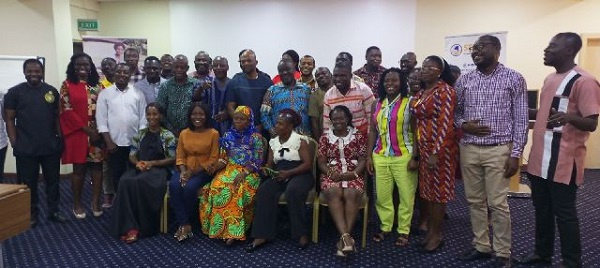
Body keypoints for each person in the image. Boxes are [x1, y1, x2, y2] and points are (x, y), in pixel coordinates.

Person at [515, 32, 600, 268]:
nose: (546, 50)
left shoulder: (585, 80)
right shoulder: (550, 78)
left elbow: (592, 123)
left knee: (565, 214)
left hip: (563, 161)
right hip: (539, 159)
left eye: (552, 46)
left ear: (570, 51)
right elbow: (543, 114)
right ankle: (542, 254)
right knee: (542, 211)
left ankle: (572, 262)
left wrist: (569, 117)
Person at [454, 35, 528, 268]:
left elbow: (521, 118)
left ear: (496, 49)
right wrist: (463, 125)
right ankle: (481, 246)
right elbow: (455, 113)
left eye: (480, 47)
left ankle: (503, 252)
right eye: (473, 48)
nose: (475, 51)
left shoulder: (514, 78)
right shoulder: (464, 80)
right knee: (474, 201)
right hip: (469, 148)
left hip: (499, 149)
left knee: (497, 203)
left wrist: (516, 154)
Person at [4, 58, 66, 227]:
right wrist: (15, 142)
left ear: (42, 72)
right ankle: (31, 213)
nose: (33, 74)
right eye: (30, 71)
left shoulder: (51, 91)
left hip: (50, 147)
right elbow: (9, 119)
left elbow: (56, 118)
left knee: (53, 181)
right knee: (27, 183)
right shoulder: (14, 93)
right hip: (26, 147)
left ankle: (54, 211)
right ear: (24, 72)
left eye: (37, 71)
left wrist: (60, 140)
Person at [246, 109, 313, 252]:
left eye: (280, 124)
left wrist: (289, 173)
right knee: (264, 191)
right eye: (277, 123)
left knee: (293, 191)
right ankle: (261, 235)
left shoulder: (300, 140)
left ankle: (301, 234)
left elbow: (307, 164)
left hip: (299, 173)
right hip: (280, 172)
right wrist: (266, 169)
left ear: (290, 127)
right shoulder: (273, 142)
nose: (276, 126)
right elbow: (270, 163)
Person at [111, 103, 176, 244]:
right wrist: (137, 163)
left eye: (155, 114)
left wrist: (152, 164)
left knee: (137, 182)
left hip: (160, 170)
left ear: (161, 116)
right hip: (141, 167)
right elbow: (132, 154)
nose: (151, 117)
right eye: (149, 114)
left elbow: (172, 158)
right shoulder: (140, 134)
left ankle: (140, 227)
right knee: (124, 181)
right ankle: (128, 226)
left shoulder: (167, 135)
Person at [411, 56, 458, 253]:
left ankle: (437, 234)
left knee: (439, 194)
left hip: (441, 151)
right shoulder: (422, 93)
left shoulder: (445, 91)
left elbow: (446, 124)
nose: (425, 70)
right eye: (423, 67)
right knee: (427, 193)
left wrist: (435, 152)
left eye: (430, 67)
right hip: (424, 148)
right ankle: (430, 231)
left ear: (440, 71)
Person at [366, 68, 417, 248]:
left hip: (403, 155)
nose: (390, 84)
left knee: (406, 196)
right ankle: (386, 226)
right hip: (380, 155)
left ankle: (403, 231)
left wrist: (415, 157)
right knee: (383, 196)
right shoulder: (377, 103)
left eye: (395, 80)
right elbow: (373, 130)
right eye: (387, 81)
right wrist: (368, 157)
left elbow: (416, 131)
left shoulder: (410, 102)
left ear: (402, 83)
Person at [200, 105, 265, 246]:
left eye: (242, 119)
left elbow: (257, 161)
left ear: (249, 121)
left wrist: (245, 173)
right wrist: (214, 166)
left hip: (249, 172)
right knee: (217, 186)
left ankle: (234, 232)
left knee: (237, 189)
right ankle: (222, 230)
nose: (238, 121)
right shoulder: (228, 136)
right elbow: (223, 159)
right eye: (236, 118)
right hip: (229, 169)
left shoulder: (256, 137)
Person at [59, 53, 104, 219]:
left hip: (98, 133)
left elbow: (106, 108)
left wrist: (98, 131)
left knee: (97, 167)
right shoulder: (67, 85)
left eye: (86, 64)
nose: (82, 67)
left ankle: (95, 202)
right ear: (73, 67)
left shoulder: (99, 86)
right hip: (78, 133)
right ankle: (77, 203)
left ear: (91, 66)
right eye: (78, 65)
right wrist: (87, 130)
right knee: (79, 169)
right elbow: (66, 110)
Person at [318, 105, 367, 256]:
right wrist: (331, 173)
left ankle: (344, 239)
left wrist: (353, 174)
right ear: (331, 120)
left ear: (348, 119)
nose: (338, 121)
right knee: (334, 191)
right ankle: (347, 239)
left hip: (353, 172)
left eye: (341, 118)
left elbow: (363, 159)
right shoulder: (325, 137)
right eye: (334, 118)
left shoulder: (358, 136)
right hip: (332, 172)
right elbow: (320, 162)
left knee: (351, 194)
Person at [169, 103, 219, 242]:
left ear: (206, 116)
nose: (197, 117)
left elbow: (214, 158)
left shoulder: (213, 133)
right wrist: (184, 172)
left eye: (201, 114)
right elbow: (180, 156)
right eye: (194, 114)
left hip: (203, 171)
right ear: (190, 116)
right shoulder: (184, 133)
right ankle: (185, 224)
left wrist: (192, 172)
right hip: (184, 169)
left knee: (190, 188)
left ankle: (184, 223)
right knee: (174, 185)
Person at [96, 63, 148, 192]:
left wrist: (139, 141)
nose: (122, 75)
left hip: (134, 142)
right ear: (114, 73)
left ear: (130, 75)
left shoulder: (138, 93)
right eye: (119, 72)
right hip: (114, 144)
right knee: (116, 175)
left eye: (125, 72)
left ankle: (133, 202)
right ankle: (119, 203)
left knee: (135, 174)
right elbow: (101, 120)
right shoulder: (105, 94)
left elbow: (143, 119)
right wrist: (109, 142)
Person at [225, 49, 273, 138]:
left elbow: (271, 107)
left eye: (249, 60)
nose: (246, 63)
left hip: (262, 131)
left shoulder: (267, 82)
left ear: (256, 62)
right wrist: (241, 123)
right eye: (243, 61)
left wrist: (261, 126)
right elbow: (230, 106)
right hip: (240, 132)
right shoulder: (234, 82)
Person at [261, 60, 312, 137]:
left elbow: (313, 114)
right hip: (281, 139)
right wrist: (273, 132)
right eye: (281, 71)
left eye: (288, 70)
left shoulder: (306, 89)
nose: (284, 73)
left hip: (304, 138)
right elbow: (264, 115)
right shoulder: (272, 91)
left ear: (294, 70)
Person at [323, 62, 376, 135]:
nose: (338, 79)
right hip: (339, 140)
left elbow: (372, 120)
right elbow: (327, 125)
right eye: (335, 76)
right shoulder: (328, 95)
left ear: (350, 76)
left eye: (342, 76)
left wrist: (369, 144)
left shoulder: (364, 90)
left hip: (363, 138)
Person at [156, 54, 200, 136]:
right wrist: (171, 130)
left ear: (187, 68)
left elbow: (200, 109)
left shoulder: (195, 84)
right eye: (176, 67)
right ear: (172, 67)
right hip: (169, 133)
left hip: (192, 131)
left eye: (182, 67)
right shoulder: (165, 86)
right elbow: (160, 111)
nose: (179, 70)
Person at [98, 57, 117, 208]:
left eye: (110, 64)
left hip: (123, 131)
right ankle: (108, 194)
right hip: (106, 132)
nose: (107, 67)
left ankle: (120, 192)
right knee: (107, 165)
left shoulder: (124, 84)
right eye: (104, 65)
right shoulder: (99, 86)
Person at [204, 56, 230, 135]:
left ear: (227, 67)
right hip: (209, 127)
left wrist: (228, 113)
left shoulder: (233, 84)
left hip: (229, 127)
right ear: (212, 67)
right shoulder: (207, 83)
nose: (218, 68)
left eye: (222, 65)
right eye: (215, 65)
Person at [308, 67, 333, 140]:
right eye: (318, 75)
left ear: (331, 75)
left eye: (324, 73)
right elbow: (314, 121)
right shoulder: (314, 96)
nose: (321, 76)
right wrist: (319, 141)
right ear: (316, 80)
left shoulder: (339, 91)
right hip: (325, 136)